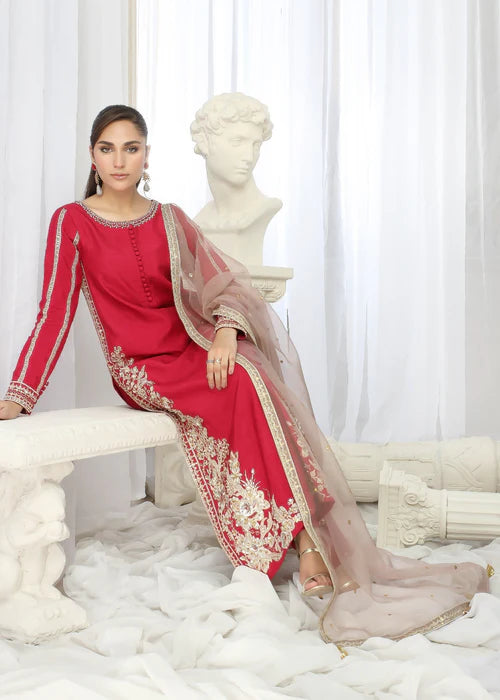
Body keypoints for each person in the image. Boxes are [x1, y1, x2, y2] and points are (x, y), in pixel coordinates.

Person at [0, 105, 490, 648]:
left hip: (192, 343)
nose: (119, 161)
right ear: (92, 156)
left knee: (250, 373)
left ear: (146, 156)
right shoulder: (71, 222)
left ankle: (303, 537)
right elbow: (53, 313)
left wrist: (227, 332)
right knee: (238, 388)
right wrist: (21, 394)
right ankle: (299, 539)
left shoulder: (170, 218)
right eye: (107, 149)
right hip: (141, 366)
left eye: (131, 149)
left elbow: (223, 282)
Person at [191, 92, 282, 266]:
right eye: (237, 141)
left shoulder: (262, 210)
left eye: (256, 145)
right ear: (204, 142)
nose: (249, 157)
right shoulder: (200, 222)